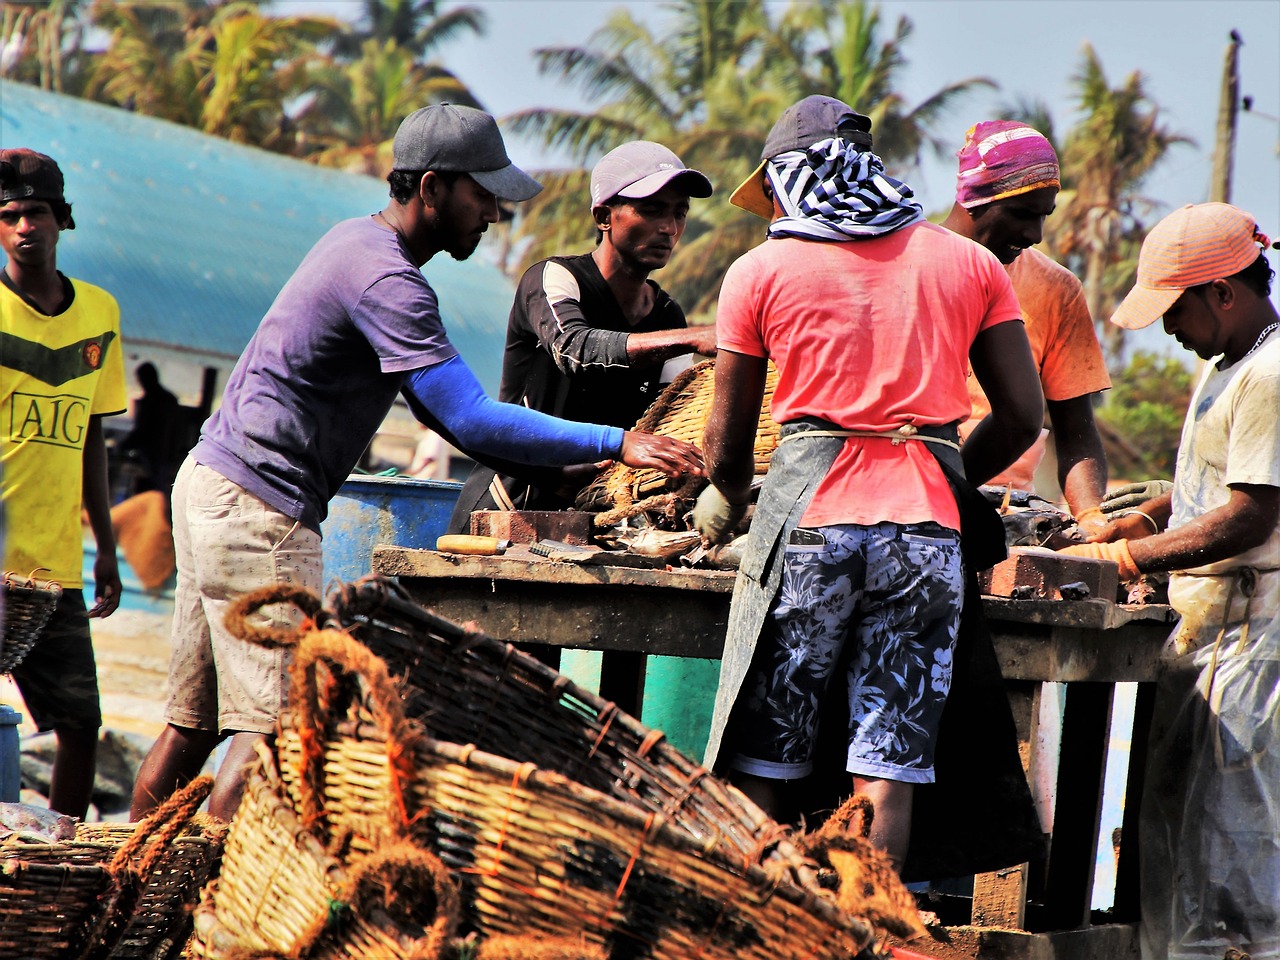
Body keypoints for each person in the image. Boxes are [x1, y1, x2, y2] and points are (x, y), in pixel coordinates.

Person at [129, 104, 703, 822]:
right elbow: (467, 416)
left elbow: (437, 415)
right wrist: (616, 443)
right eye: (482, 194)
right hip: (261, 509)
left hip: (212, 483)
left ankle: (129, 886)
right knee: (274, 731)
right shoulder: (389, 282)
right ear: (432, 189)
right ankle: (206, 910)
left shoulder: (354, 244)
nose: (495, 212)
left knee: (195, 724)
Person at [693, 95, 1043, 872]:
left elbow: (725, 443)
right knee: (890, 763)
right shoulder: (971, 264)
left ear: (788, 180)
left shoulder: (759, 271)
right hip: (926, 542)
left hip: (809, 530)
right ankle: (875, 930)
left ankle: (765, 930)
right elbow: (1024, 417)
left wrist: (726, 496)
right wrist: (943, 472)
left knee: (768, 753)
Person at [1060, 202, 1280, 959]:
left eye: (1175, 309)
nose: (1166, 328)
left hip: (1251, 646)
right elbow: (1217, 486)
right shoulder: (1232, 365)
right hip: (1210, 637)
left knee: (1233, 854)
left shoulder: (1272, 374)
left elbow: (1248, 517)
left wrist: (1124, 563)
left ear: (1223, 293)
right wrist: (1147, 520)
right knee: (1178, 834)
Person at [448, 140, 714, 528]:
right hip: (507, 507)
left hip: (595, 516)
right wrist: (692, 338)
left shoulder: (668, 315)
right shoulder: (554, 278)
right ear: (604, 216)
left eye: (680, 213)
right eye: (653, 209)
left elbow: (665, 414)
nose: (669, 229)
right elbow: (575, 349)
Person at [1, 149, 125, 818]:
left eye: (37, 212)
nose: (25, 226)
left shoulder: (100, 314)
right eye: (10, 215)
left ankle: (64, 858)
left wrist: (105, 546)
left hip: (55, 569)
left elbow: (92, 444)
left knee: (79, 727)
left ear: (62, 220)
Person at [941, 120, 1111, 532]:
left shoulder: (1057, 288)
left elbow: (1077, 431)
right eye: (1020, 213)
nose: (1034, 233)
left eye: (1043, 217)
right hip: (910, 495)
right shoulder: (911, 265)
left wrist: (1090, 518)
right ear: (972, 198)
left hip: (1007, 507)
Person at [118, 361, 181, 496]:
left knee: (148, 494)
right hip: (166, 457)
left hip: (152, 457)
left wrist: (121, 446)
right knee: (158, 494)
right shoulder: (170, 400)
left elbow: (141, 432)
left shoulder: (151, 401)